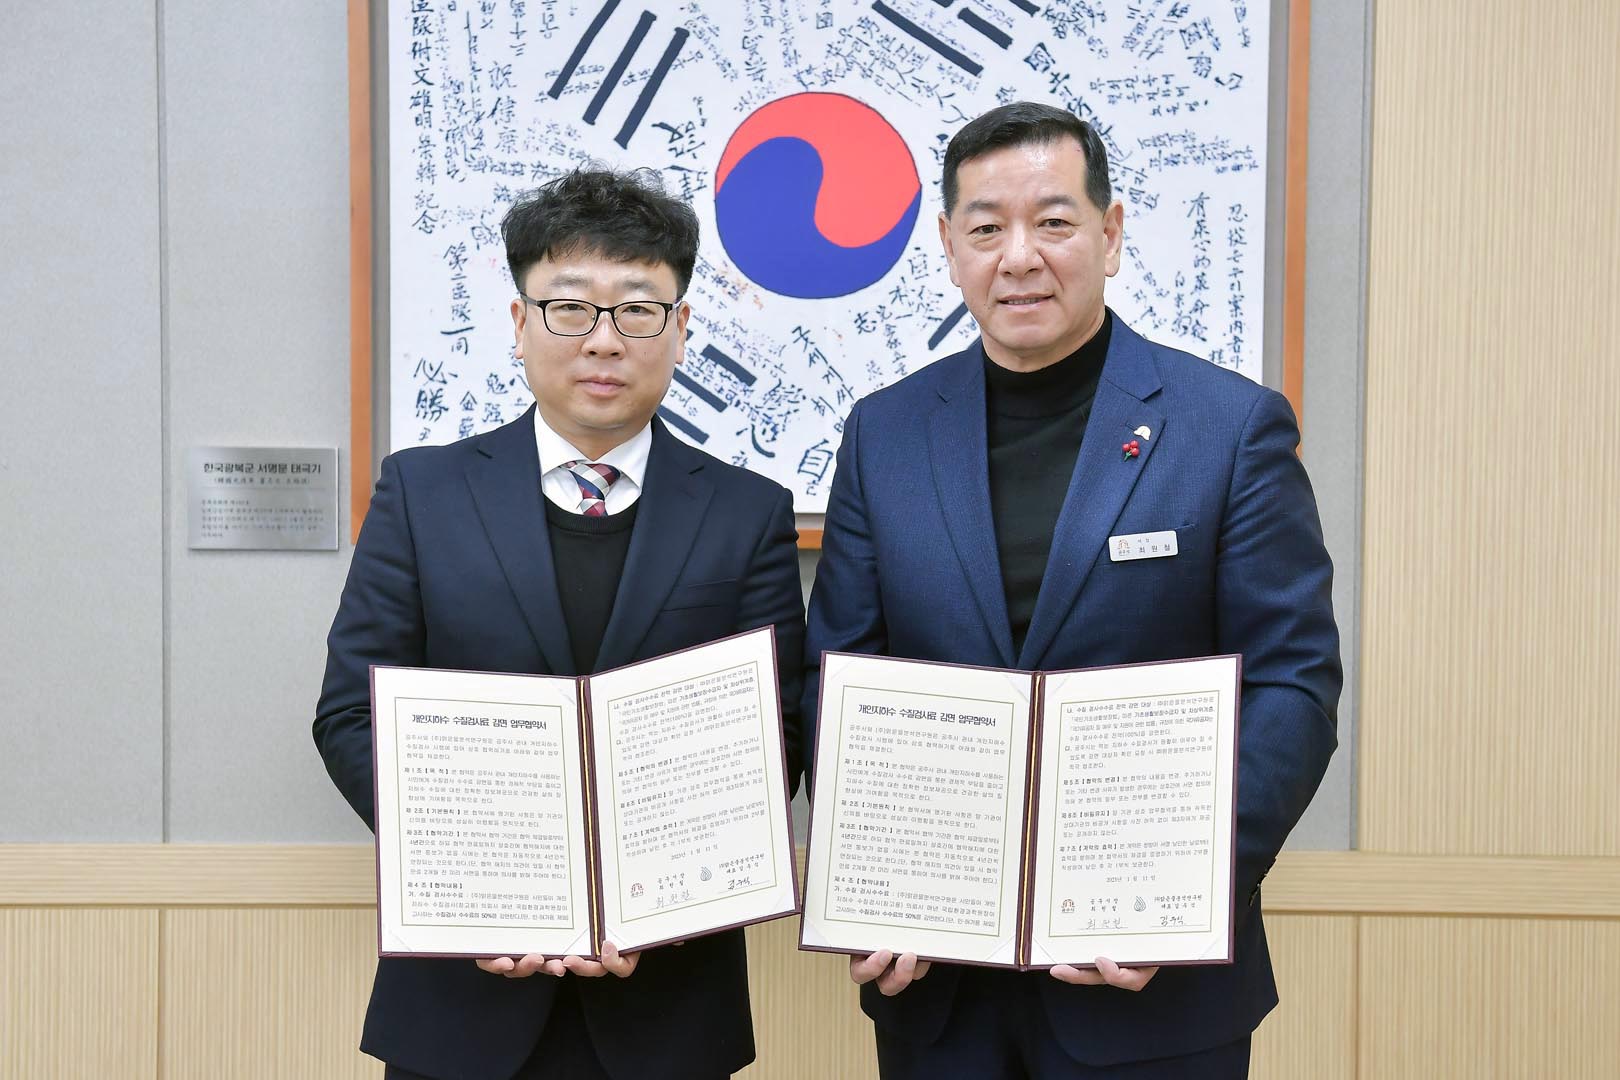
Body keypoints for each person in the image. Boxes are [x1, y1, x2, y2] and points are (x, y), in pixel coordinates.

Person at [802, 102, 1341, 1078]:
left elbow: (1292, 685)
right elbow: (838, 674)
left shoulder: (1228, 429)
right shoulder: (885, 435)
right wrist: (868, 880)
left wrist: (1185, 888)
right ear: (949, 248)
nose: (1020, 257)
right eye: (986, 229)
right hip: (939, 988)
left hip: (1152, 989)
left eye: (1053, 221)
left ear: (1111, 233)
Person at [315, 167, 805, 1080]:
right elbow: (351, 715)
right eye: (570, 307)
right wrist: (480, 885)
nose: (604, 339)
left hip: (667, 999)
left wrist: (662, 900)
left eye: (639, 310)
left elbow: (776, 732)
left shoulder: (747, 513)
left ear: (681, 329)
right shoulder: (423, 493)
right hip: (461, 998)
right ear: (519, 323)